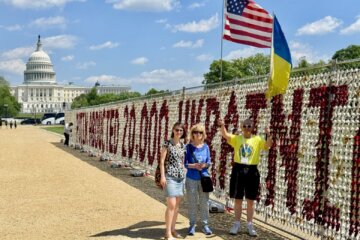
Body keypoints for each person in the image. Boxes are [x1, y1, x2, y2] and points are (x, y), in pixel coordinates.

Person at [217, 118, 272, 236]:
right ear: (241, 127)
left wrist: (268, 134)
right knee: (238, 199)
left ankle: (250, 225)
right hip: (238, 170)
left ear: (252, 128)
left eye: (249, 126)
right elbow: (225, 135)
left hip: (252, 171)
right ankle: (236, 223)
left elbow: (268, 145)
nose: (247, 128)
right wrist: (222, 125)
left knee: (251, 200)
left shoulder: (257, 139)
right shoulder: (237, 139)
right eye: (245, 126)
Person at [159, 122, 186, 240]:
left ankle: (173, 229)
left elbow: (182, 160)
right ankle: (168, 233)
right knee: (171, 205)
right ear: (173, 130)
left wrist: (184, 168)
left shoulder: (182, 144)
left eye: (181, 130)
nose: (178, 132)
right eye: (177, 130)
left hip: (181, 177)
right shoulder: (167, 143)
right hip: (170, 176)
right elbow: (162, 161)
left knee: (177, 206)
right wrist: (163, 176)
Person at [184, 123, 212, 236]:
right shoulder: (188, 147)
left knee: (204, 202)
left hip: (204, 177)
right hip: (191, 178)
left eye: (200, 132)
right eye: (195, 132)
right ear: (192, 134)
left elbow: (209, 162)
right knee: (192, 202)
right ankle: (192, 224)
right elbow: (185, 164)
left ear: (203, 134)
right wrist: (194, 165)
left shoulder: (206, 147)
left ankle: (205, 225)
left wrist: (204, 165)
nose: (198, 134)